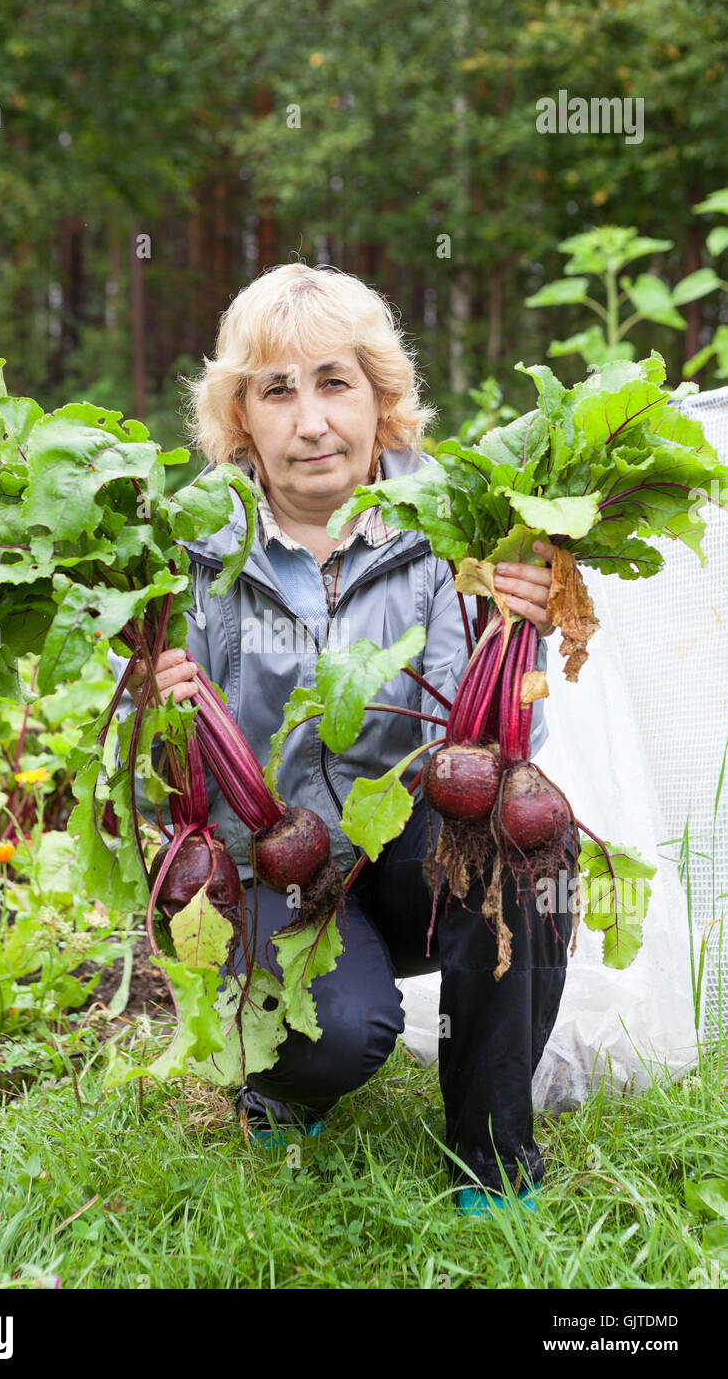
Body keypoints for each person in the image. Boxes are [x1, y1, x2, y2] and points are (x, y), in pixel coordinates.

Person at [109, 262, 577, 1213]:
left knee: (528, 858)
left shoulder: (463, 525)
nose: (311, 419)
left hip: (414, 848)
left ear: (380, 398)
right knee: (337, 1038)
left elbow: (503, 752)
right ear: (241, 416)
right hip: (273, 860)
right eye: (277, 391)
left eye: (335, 383)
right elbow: (156, 793)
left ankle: (494, 1159)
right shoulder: (187, 552)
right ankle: (281, 1083)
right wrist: (155, 718)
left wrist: (523, 624)